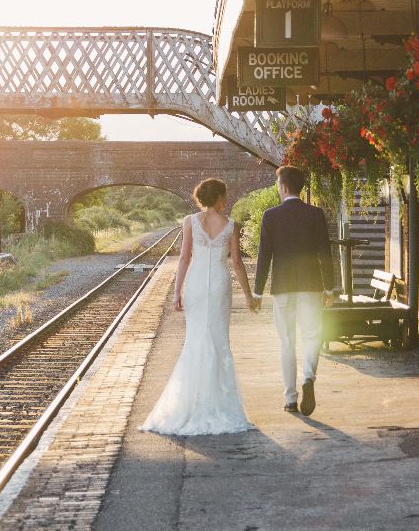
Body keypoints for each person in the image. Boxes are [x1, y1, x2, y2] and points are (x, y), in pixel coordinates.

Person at [141, 178, 260, 435]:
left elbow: (184, 257)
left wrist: (177, 292)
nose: (226, 199)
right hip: (218, 284)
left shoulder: (190, 221)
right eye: (224, 195)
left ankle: (191, 403)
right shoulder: (231, 225)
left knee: (195, 340)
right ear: (219, 197)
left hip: (195, 284)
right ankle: (220, 404)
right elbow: (237, 263)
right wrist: (249, 296)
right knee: (219, 341)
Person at [253, 165, 334, 416]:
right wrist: (330, 287)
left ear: (284, 186)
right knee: (312, 336)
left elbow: (264, 256)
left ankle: (290, 399)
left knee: (286, 342)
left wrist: (257, 292)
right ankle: (308, 376)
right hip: (311, 286)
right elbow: (325, 253)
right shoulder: (315, 214)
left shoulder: (270, 216)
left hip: (282, 288)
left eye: (278, 185)